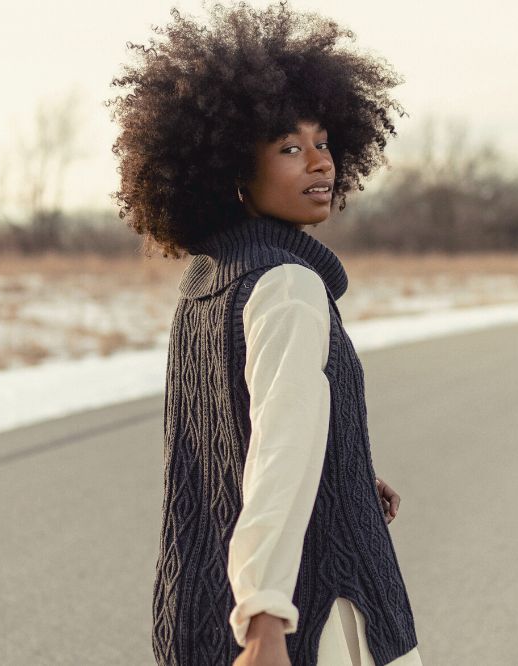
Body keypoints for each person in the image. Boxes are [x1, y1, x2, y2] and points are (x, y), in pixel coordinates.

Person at [107, 2, 420, 664]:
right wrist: (266, 618)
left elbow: (239, 435)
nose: (318, 163)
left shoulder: (207, 280)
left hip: (200, 605)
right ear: (232, 174)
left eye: (324, 142)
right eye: (287, 147)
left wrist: (345, 468)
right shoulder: (286, 285)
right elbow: (278, 453)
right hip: (312, 612)